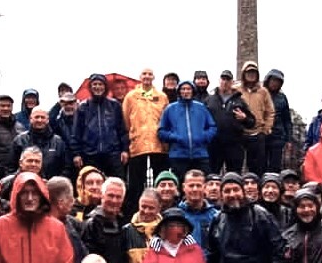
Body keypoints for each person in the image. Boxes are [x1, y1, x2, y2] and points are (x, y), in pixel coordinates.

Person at [206, 172, 286, 263]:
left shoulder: (260, 215)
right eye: (227, 191)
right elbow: (212, 257)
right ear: (222, 195)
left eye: (236, 189)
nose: (232, 194)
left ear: (243, 191)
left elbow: (278, 253)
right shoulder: (218, 219)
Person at [121, 68, 168, 217]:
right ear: (140, 77)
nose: (147, 76)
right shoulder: (131, 97)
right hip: (138, 145)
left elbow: (166, 118)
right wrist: (133, 134)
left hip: (158, 145)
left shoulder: (161, 96)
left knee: (158, 180)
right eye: (144, 74)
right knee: (136, 183)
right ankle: (136, 213)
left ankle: (160, 211)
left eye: (149, 74)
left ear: (153, 77)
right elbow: (126, 119)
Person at [72, 73, 130, 179]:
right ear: (90, 87)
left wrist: (125, 150)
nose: (97, 87)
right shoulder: (83, 107)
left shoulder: (115, 105)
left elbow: (122, 130)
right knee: (92, 184)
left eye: (100, 84)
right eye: (95, 84)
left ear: (105, 87)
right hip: (90, 154)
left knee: (118, 182)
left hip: (113, 154)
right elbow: (76, 132)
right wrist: (76, 154)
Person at [158, 79, 217, 182]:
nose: (186, 91)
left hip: (200, 154)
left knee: (202, 183)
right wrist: (175, 137)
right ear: (179, 91)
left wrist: (204, 136)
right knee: (181, 185)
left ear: (193, 91)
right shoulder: (170, 109)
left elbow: (212, 127)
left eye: (188, 89)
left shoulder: (201, 108)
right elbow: (161, 131)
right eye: (183, 89)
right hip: (178, 155)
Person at [81, 177, 130, 263]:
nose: (114, 200)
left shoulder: (123, 224)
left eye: (118, 197)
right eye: (110, 196)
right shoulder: (91, 224)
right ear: (101, 196)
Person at [206, 69, 256, 174]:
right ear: (219, 80)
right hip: (214, 144)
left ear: (232, 82)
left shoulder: (239, 101)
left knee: (234, 176)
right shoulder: (209, 100)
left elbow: (252, 122)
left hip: (235, 145)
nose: (225, 82)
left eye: (228, 80)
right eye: (223, 79)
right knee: (212, 175)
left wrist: (244, 118)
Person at [122, 188, 163, 263]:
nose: (146, 211)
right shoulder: (126, 231)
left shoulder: (165, 231)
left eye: (151, 208)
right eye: (143, 206)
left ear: (159, 208)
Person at [237, 61, 275, 176]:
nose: (251, 75)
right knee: (237, 166)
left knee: (257, 168)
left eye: (254, 72)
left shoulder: (263, 91)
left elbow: (270, 111)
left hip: (257, 134)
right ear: (243, 74)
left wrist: (266, 129)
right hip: (239, 133)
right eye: (248, 72)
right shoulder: (236, 90)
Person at [12, 107, 69, 180]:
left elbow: (67, 168)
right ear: (31, 119)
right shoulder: (19, 140)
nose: (39, 120)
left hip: (51, 187)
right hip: (26, 187)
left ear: (47, 120)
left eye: (42, 117)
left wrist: (55, 183)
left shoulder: (58, 142)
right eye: (37, 117)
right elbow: (11, 168)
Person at [47, 175, 88, 263]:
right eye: (71, 197)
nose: (73, 201)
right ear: (61, 203)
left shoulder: (72, 223)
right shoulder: (46, 230)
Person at [178, 169, 219, 253]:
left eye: (198, 185)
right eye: (191, 185)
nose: (195, 189)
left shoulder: (216, 216)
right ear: (183, 187)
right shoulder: (175, 216)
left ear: (204, 187)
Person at [263, 68, 293, 173]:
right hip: (262, 135)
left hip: (277, 136)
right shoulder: (260, 94)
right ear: (268, 80)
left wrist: (289, 139)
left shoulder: (282, 98)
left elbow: (287, 120)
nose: (275, 83)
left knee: (275, 165)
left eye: (278, 81)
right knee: (260, 164)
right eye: (273, 80)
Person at [52, 91, 79, 158]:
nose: (68, 106)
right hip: (64, 158)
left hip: (82, 158)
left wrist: (77, 155)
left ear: (76, 104)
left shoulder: (83, 120)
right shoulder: (58, 122)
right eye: (65, 104)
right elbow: (49, 120)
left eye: (71, 103)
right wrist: (57, 105)